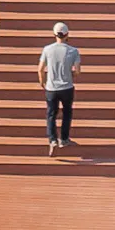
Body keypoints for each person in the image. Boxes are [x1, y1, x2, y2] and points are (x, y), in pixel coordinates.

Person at [38, 20, 80, 152]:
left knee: (51, 114)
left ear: (54, 34)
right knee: (67, 113)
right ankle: (64, 138)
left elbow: (40, 69)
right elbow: (78, 71)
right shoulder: (73, 51)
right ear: (67, 34)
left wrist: (42, 82)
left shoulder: (47, 49)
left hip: (51, 88)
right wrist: (71, 74)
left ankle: (52, 140)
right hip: (67, 87)